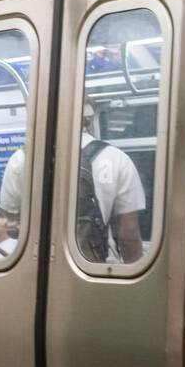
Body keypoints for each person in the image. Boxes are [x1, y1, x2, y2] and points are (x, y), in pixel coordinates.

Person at [74, 100, 145, 263]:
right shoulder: (117, 159)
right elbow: (129, 234)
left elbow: (13, 229)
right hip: (97, 271)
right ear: (89, 119)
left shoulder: (23, 159)